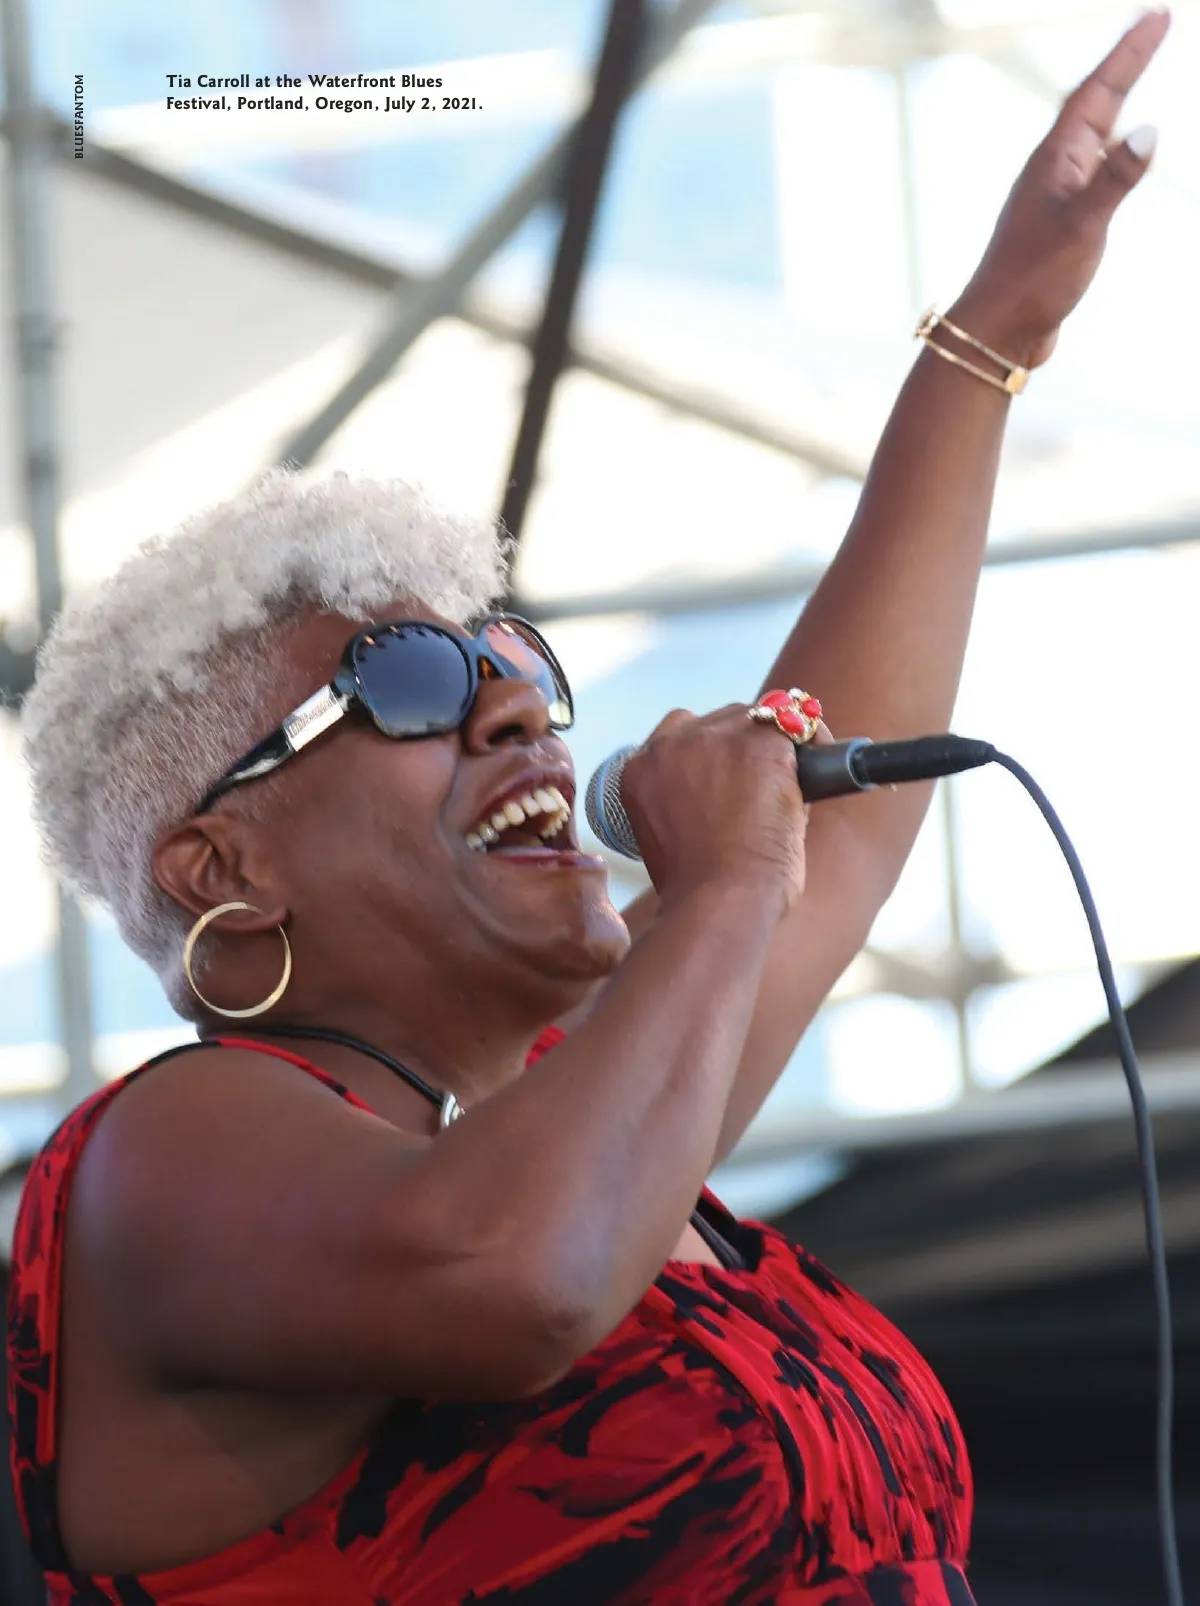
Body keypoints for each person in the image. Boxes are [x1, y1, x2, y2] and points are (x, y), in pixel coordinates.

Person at [5, 15, 1167, 1603]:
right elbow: (520, 1275)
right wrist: (728, 882)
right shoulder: (166, 1155)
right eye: (412, 681)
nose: (515, 707)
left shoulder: (593, 1117)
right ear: (227, 866)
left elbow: (832, 823)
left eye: (518, 662)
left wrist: (991, 336)